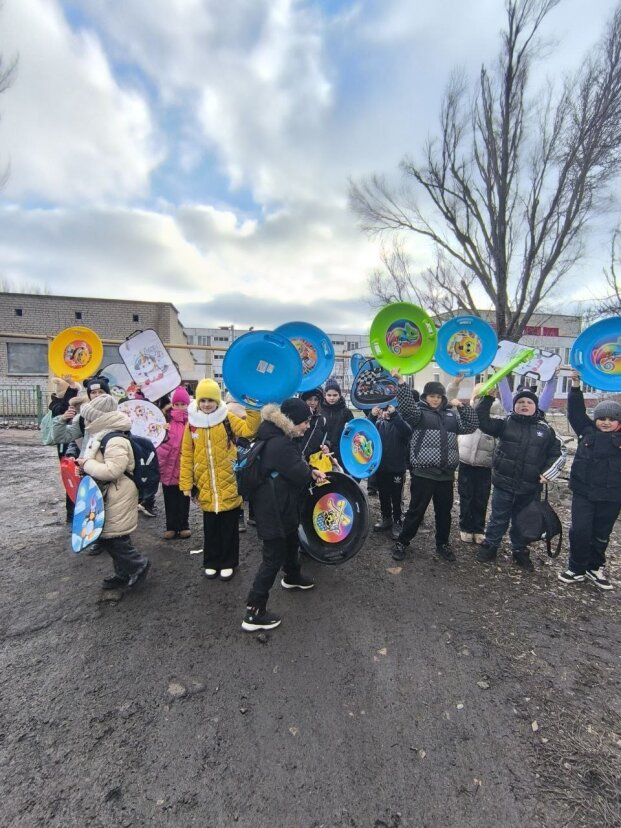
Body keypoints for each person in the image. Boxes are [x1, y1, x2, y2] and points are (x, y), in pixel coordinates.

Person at [242, 398, 327, 632]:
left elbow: (293, 468)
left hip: (280, 505)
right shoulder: (280, 444)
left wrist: (309, 470)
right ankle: (254, 611)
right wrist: (311, 473)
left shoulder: (274, 436)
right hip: (274, 510)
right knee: (272, 558)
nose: (307, 426)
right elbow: (298, 473)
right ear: (292, 421)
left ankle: (292, 576)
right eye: (305, 422)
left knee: (291, 539)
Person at [475, 388, 566, 571]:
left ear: (536, 406)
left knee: (523, 520)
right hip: (503, 483)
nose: (524, 405)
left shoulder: (546, 429)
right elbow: (482, 422)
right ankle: (490, 545)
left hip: (530, 488)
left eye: (529, 402)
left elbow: (558, 453)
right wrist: (487, 400)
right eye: (520, 402)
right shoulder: (505, 423)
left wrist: (548, 473)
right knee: (498, 518)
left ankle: (520, 551)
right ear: (514, 406)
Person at [179, 378, 260, 582]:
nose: (207, 404)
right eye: (203, 400)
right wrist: (187, 484)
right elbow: (187, 455)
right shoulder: (192, 426)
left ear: (217, 400)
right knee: (210, 528)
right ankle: (211, 561)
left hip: (229, 484)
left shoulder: (227, 419)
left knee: (229, 529)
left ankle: (229, 562)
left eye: (210, 400)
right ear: (198, 401)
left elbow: (249, 429)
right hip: (206, 486)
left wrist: (252, 407)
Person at [391, 377, 478, 562]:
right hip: (424, 473)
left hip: (446, 475)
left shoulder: (451, 416)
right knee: (416, 511)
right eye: (432, 396)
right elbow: (406, 407)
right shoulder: (418, 415)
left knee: (444, 513)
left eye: (439, 396)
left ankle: (442, 544)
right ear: (425, 397)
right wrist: (402, 384)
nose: (435, 400)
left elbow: (471, 426)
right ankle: (402, 542)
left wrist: (462, 407)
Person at [76, 394, 150, 589]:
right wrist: (84, 467)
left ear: (98, 418)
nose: (86, 421)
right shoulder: (103, 436)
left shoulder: (114, 439)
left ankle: (138, 565)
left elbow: (112, 470)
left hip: (118, 492)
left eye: (88, 417)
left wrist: (87, 464)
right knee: (113, 535)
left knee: (114, 537)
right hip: (110, 493)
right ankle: (123, 574)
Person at [558, 373, 621, 590]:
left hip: (612, 496)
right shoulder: (586, 431)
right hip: (584, 493)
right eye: (602, 418)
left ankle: (595, 567)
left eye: (612, 419)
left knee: (601, 533)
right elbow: (576, 413)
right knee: (580, 530)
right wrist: (575, 386)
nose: (606, 422)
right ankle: (576, 568)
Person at [447, 375, 503, 544]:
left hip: (485, 464)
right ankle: (465, 527)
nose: (478, 400)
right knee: (465, 496)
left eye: (482, 396)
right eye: (476, 396)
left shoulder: (497, 416)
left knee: (481, 497)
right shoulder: (466, 411)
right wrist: (456, 383)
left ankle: (478, 528)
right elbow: (450, 398)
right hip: (465, 461)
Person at [368, 404, 412, 540]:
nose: (386, 413)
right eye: (384, 410)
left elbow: (407, 433)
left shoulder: (400, 424)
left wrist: (395, 416)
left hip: (396, 468)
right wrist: (372, 416)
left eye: (389, 410)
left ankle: (397, 521)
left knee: (396, 497)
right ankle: (386, 518)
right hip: (380, 468)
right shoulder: (378, 425)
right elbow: (365, 432)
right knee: (383, 494)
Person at [156, 386, 191, 540]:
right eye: (177, 404)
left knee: (184, 498)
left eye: (183, 404)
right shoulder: (165, 420)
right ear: (173, 404)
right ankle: (171, 526)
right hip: (168, 466)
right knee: (169, 498)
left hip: (184, 467)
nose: (180, 407)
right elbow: (157, 441)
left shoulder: (192, 421)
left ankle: (183, 525)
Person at [320, 378, 353, 468]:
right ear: (325, 395)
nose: (332, 398)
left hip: (341, 452)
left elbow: (352, 433)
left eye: (335, 395)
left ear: (339, 395)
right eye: (329, 395)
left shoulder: (346, 412)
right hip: (322, 451)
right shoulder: (320, 411)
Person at [298, 388, 329, 460]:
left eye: (316, 400)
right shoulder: (297, 416)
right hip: (295, 458)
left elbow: (326, 437)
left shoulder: (322, 419)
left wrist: (326, 445)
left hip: (313, 461)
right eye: (309, 399)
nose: (312, 403)